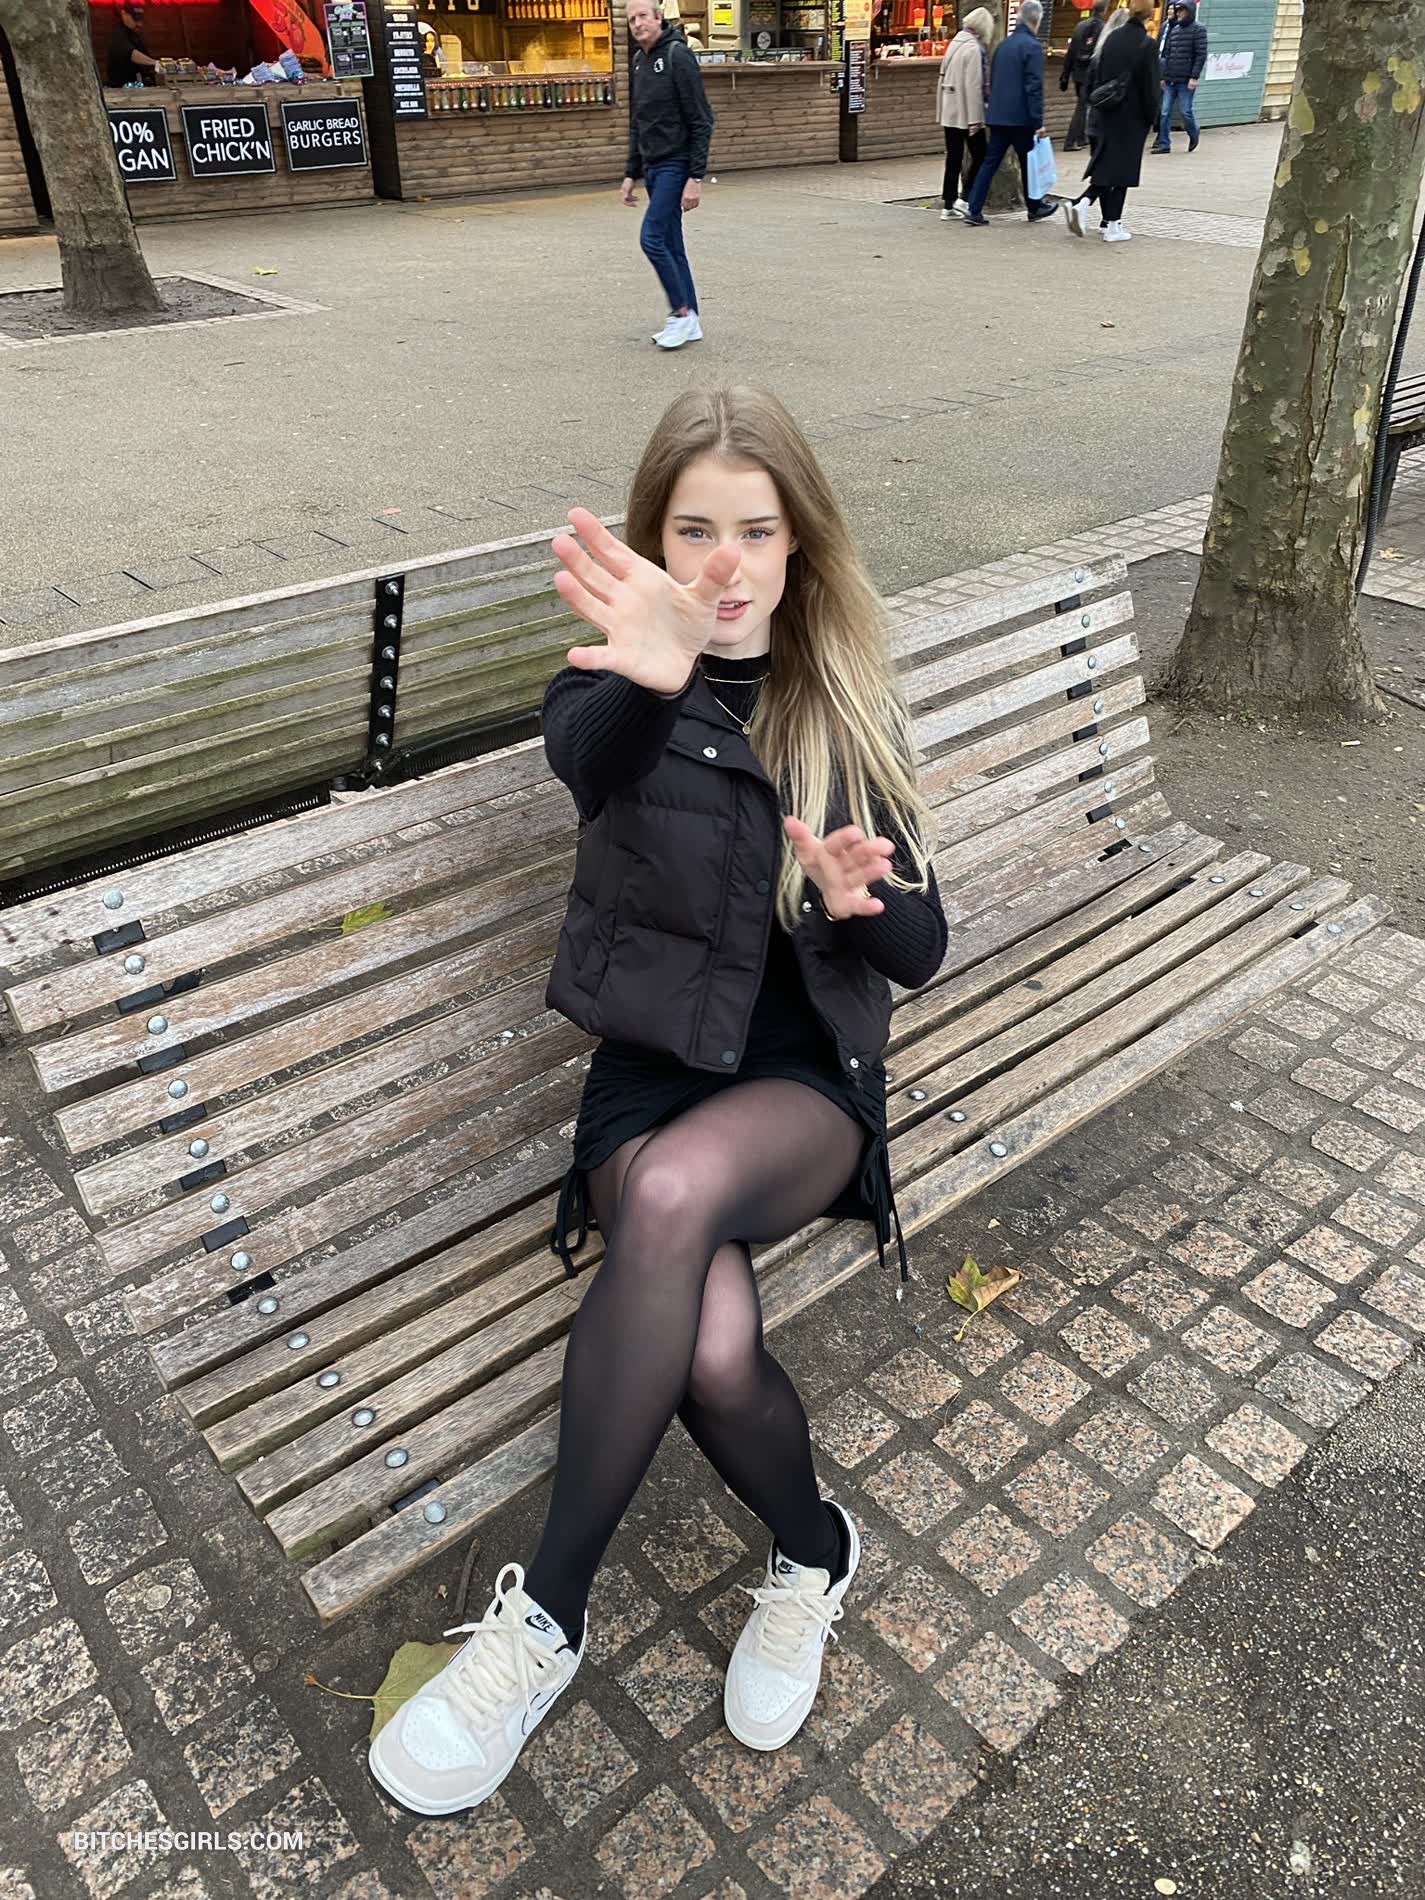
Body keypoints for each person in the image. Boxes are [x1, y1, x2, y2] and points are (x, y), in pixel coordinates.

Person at [367, 385, 947, 1815]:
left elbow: (922, 949)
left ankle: (545, 1619)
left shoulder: (844, 700)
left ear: (801, 544)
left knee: (682, 1197)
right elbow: (591, 760)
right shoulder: (612, 687)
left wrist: (857, 906)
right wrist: (650, 673)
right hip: (649, 1080)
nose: (726, 564)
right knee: (716, 1347)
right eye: (694, 531)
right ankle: (814, 1551)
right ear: (651, 540)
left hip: (801, 1088)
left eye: (757, 530)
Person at [621, 0, 715, 352]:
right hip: (652, 167)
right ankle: (692, 319)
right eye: (631, 19)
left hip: (676, 163)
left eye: (643, 16)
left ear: (659, 18)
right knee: (672, 244)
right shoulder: (638, 61)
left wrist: (695, 177)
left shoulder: (678, 56)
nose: (637, 23)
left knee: (652, 238)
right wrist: (631, 173)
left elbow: (702, 120)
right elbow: (639, 121)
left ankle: (680, 313)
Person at [1062, 0, 1160, 241]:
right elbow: (1150, 87)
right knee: (1122, 172)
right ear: (1149, 14)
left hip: (1107, 112)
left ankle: (1089, 207)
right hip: (1132, 117)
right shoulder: (1147, 44)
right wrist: (1152, 117)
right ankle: (1111, 225)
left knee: (1108, 166)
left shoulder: (1111, 39)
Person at [962, 0, 1056, 228]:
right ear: (1037, 20)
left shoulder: (1003, 45)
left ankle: (974, 208)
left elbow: (994, 79)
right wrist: (1038, 121)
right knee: (1029, 162)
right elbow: (1034, 87)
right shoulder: (1032, 47)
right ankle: (1034, 206)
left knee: (990, 162)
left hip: (999, 115)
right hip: (1021, 118)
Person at [937, 9, 993, 220]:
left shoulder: (955, 43)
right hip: (966, 112)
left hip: (949, 109)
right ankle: (966, 197)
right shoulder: (974, 49)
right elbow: (973, 86)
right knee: (981, 155)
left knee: (954, 157)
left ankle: (948, 204)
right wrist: (976, 119)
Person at [1152, 0, 1207, 153]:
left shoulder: (1198, 29)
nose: (1179, 13)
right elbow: (1167, 54)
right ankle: (1164, 144)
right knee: (1165, 112)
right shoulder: (1174, 29)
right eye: (1178, 10)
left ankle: (1194, 133)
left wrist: (1194, 77)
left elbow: (1200, 55)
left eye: (1182, 10)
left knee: (1185, 112)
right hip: (1170, 78)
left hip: (1186, 79)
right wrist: (1163, 76)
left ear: (1190, 11)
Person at [1059, 0, 1107, 152]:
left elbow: (1071, 51)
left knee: (1083, 104)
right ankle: (1070, 141)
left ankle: (1080, 138)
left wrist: (1065, 74)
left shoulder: (1080, 26)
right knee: (1082, 107)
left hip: (1077, 72)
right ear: (1105, 10)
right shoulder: (1103, 28)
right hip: (1090, 73)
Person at [105, 4, 160, 87]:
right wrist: (155, 63)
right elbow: (131, 54)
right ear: (124, 14)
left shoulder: (134, 34)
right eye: (135, 19)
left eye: (140, 20)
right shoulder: (119, 34)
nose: (139, 24)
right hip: (122, 86)